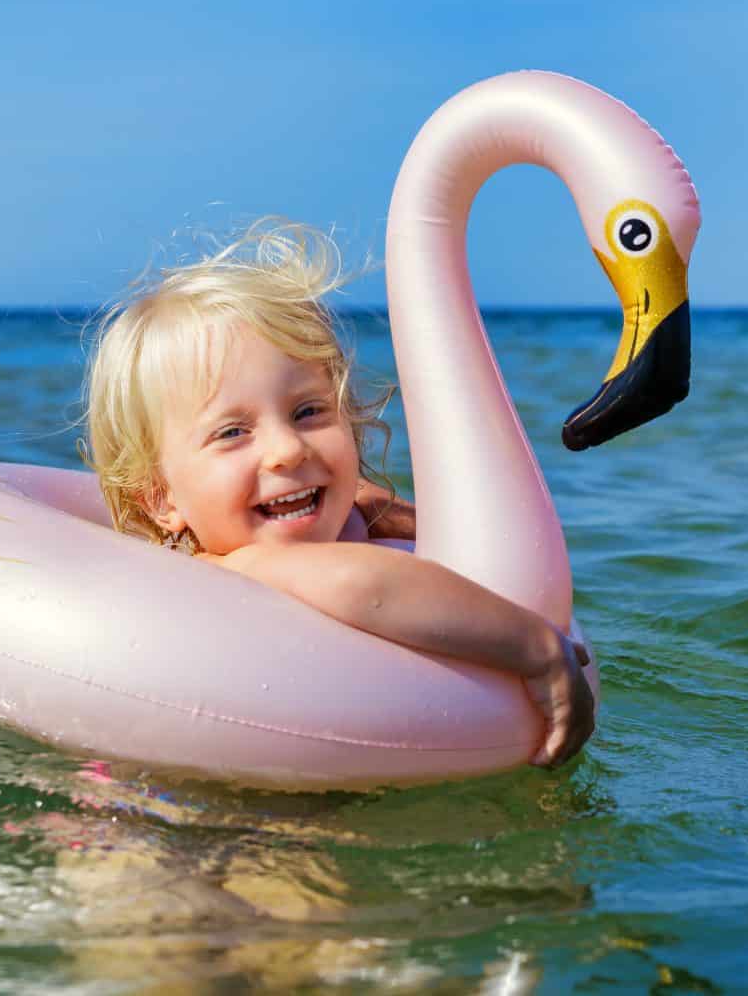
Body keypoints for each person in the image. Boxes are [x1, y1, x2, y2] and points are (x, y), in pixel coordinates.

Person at [83, 220, 593, 767]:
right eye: (232, 432)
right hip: (195, 818)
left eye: (309, 412)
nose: (287, 450)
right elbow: (362, 583)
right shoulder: (238, 568)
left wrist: (388, 513)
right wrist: (538, 651)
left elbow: (369, 519)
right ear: (162, 500)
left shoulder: (338, 520)